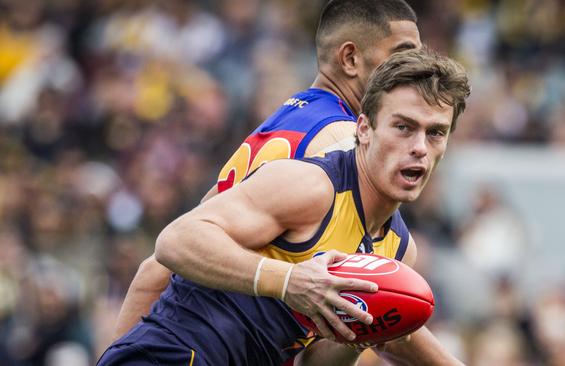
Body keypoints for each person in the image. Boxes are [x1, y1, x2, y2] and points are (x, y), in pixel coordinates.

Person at [98, 47, 470, 365]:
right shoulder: (312, 186)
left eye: (435, 132)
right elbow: (175, 241)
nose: (420, 146)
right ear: (363, 129)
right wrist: (289, 281)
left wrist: (355, 336)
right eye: (403, 127)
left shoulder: (398, 251)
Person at [113, 0, 422, 340]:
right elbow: (382, 301)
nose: (417, 69)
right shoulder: (343, 143)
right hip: (213, 341)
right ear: (350, 59)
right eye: (403, 55)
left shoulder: (293, 118)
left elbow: (156, 269)